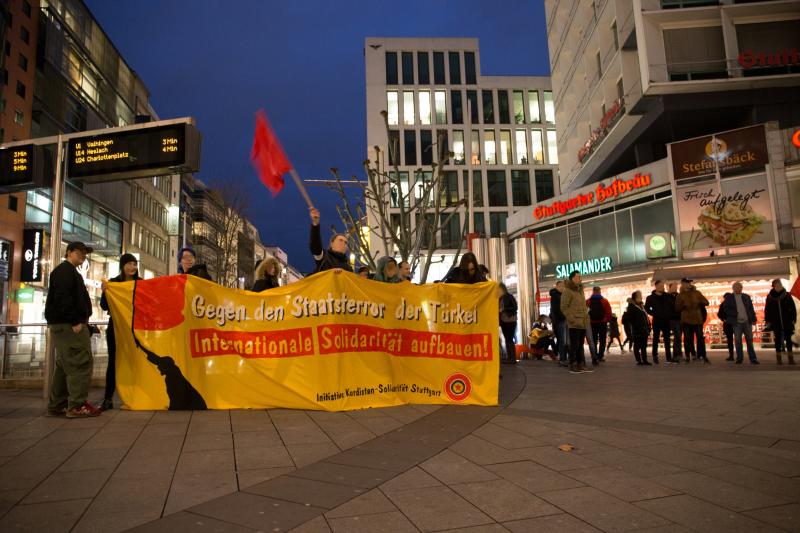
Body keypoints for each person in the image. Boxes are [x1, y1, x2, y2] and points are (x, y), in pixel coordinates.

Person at [45, 242, 101, 418]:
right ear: (69, 253)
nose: (83, 255)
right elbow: (63, 298)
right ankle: (76, 405)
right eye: (79, 252)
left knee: (65, 364)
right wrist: (75, 321)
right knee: (80, 362)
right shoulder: (64, 272)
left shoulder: (69, 272)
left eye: (85, 253)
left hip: (66, 324)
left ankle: (58, 404)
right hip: (69, 325)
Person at [98, 253, 140, 411]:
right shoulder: (113, 283)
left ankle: (136, 395)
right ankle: (108, 398)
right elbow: (104, 306)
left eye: (134, 264)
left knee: (136, 361)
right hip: (116, 328)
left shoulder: (141, 283)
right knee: (113, 361)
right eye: (129, 264)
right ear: (122, 265)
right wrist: (105, 291)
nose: (132, 267)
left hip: (136, 329)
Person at [560, 271, 594, 374]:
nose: (580, 278)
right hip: (574, 322)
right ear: (572, 278)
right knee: (574, 345)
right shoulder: (568, 290)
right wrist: (571, 319)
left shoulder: (580, 290)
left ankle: (581, 364)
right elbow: (564, 307)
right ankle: (572, 365)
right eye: (578, 277)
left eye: (580, 277)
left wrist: (586, 317)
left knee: (580, 345)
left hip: (582, 322)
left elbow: (583, 306)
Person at [719, 282, 759, 365]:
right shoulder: (729, 298)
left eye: (739, 287)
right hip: (736, 322)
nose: (738, 289)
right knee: (738, 341)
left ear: (742, 288)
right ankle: (739, 358)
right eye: (736, 287)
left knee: (749, 341)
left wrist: (754, 318)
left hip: (747, 322)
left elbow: (751, 309)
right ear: (733, 288)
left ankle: (753, 358)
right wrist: (734, 315)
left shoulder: (746, 297)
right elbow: (726, 309)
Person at [675, 277, 710, 364]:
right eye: (686, 283)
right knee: (687, 338)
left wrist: (700, 302)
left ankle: (702, 355)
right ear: (682, 284)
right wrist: (684, 305)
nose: (688, 284)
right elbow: (677, 308)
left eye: (689, 283)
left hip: (697, 320)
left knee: (700, 338)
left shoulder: (697, 293)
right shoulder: (680, 295)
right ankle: (688, 355)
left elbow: (706, 302)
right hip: (686, 320)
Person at [309, 207, 353, 273]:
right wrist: (315, 225)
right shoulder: (324, 258)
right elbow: (315, 247)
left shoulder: (349, 268)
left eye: (346, 242)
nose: (344, 243)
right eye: (340, 240)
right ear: (332, 243)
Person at [765, 279, 796, 365]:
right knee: (777, 340)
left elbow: (792, 307)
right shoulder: (770, 296)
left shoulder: (787, 295)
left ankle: (791, 358)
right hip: (776, 321)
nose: (779, 285)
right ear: (774, 286)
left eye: (780, 284)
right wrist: (768, 321)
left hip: (787, 321)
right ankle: (779, 358)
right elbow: (767, 309)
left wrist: (793, 319)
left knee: (788, 340)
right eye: (777, 284)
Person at [644, 280, 673, 364]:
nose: (663, 287)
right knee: (656, 339)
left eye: (663, 286)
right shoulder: (650, 298)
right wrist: (654, 313)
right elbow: (647, 308)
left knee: (667, 339)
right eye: (661, 286)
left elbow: (671, 306)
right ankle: (655, 356)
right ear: (656, 287)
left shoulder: (667, 296)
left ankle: (668, 357)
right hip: (657, 320)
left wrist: (668, 314)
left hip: (666, 320)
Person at [586, 286, 612, 363]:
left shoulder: (588, 301)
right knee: (602, 340)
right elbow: (609, 313)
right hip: (602, 323)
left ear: (593, 291)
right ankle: (600, 356)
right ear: (600, 291)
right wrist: (606, 320)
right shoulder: (604, 301)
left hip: (592, 323)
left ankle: (595, 356)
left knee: (593, 340)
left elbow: (585, 312)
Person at [627, 291, 652, 365]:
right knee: (637, 346)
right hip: (637, 330)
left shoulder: (641, 306)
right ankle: (638, 360)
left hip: (644, 329)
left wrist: (649, 326)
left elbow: (646, 317)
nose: (641, 297)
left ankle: (645, 360)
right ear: (635, 297)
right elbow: (631, 320)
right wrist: (637, 327)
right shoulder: (632, 307)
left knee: (644, 346)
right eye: (640, 295)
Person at [498, 283, 518, 364]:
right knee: (507, 339)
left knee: (509, 339)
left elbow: (515, 307)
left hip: (510, 320)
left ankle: (512, 358)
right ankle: (509, 357)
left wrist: (504, 309)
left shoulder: (509, 296)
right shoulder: (500, 298)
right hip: (503, 320)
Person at [550, 281, 568, 366]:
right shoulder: (555, 296)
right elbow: (556, 310)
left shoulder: (561, 295)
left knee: (564, 341)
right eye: (560, 286)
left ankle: (564, 358)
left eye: (563, 286)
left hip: (563, 320)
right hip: (560, 321)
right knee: (562, 341)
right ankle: (562, 359)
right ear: (556, 286)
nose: (562, 287)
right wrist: (564, 316)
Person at [668, 282, 684, 362]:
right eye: (674, 287)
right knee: (677, 335)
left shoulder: (678, 296)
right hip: (672, 319)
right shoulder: (667, 297)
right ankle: (676, 354)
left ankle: (678, 352)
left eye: (676, 286)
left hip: (680, 318)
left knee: (679, 336)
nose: (676, 288)